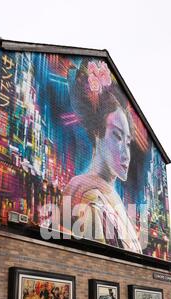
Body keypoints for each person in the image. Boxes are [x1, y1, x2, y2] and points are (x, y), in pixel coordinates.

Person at [63, 59, 142, 254]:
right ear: (98, 133)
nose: (126, 154)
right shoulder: (87, 194)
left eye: (128, 141)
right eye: (116, 136)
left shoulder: (108, 195)